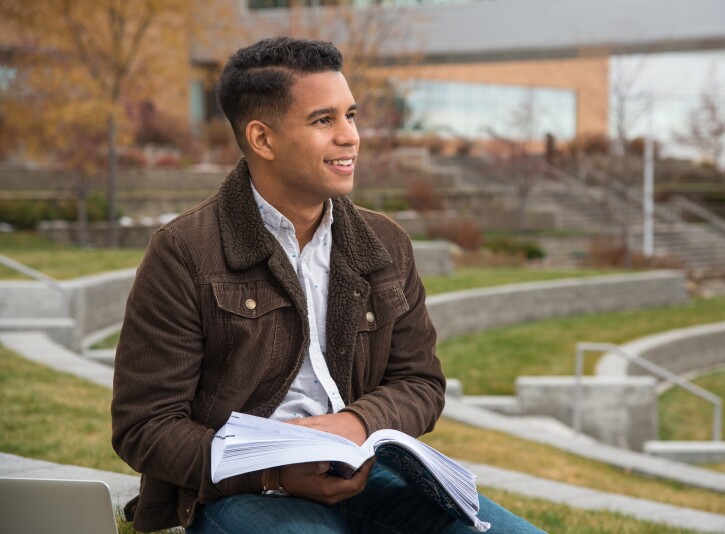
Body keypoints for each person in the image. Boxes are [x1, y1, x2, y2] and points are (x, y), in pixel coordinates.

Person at [111, 36, 544, 534]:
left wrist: (357, 424)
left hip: (368, 476)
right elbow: (145, 427)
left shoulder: (384, 244)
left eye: (351, 116)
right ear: (263, 139)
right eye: (324, 120)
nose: (350, 137)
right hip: (244, 491)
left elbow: (420, 383)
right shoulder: (185, 251)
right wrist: (275, 470)